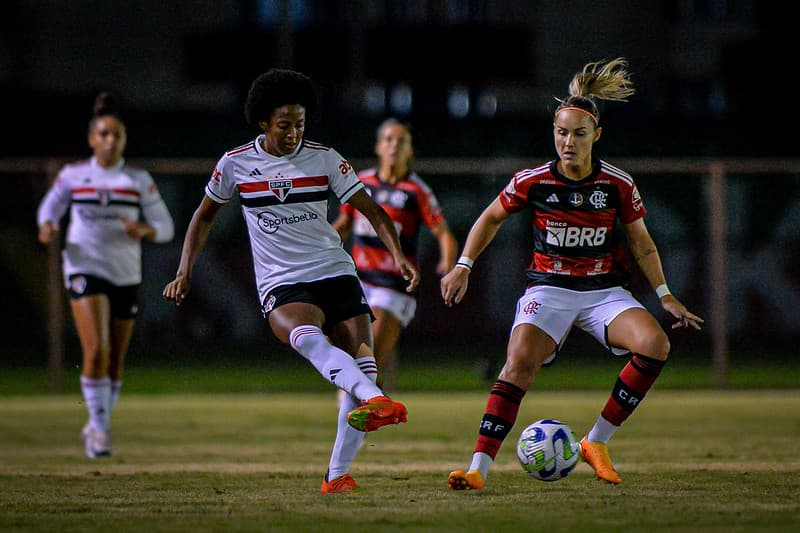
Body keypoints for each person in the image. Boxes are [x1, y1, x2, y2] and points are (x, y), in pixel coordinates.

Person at [441, 58, 704, 490]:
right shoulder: (534, 181)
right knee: (517, 365)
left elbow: (642, 242)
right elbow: (489, 218)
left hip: (603, 291)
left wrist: (665, 294)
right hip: (549, 288)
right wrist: (463, 266)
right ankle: (477, 469)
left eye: (579, 134)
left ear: (596, 135)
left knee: (656, 344)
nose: (568, 141)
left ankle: (595, 442)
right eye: (562, 133)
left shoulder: (617, 184)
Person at [161, 69, 420, 494]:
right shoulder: (236, 163)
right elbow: (204, 215)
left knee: (365, 365)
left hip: (336, 272)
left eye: (300, 124)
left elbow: (372, 210)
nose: (294, 133)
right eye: (284, 125)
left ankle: (336, 476)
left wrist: (398, 257)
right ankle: (375, 400)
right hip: (282, 281)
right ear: (263, 123)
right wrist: (184, 271)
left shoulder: (325, 159)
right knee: (310, 339)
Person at [36, 91, 175, 459]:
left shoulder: (137, 180)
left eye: (116, 135)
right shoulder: (73, 176)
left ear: (124, 140)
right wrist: (47, 227)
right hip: (84, 267)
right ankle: (99, 430)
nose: (110, 141)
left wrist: (143, 230)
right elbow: (49, 211)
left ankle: (97, 423)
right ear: (91, 139)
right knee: (96, 349)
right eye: (103, 134)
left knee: (114, 359)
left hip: (125, 274)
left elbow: (165, 227)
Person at [332, 118, 458, 391]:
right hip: (358, 281)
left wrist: (449, 262)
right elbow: (343, 225)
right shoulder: (360, 182)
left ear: (410, 151)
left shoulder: (417, 191)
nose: (394, 146)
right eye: (388, 140)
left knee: (368, 356)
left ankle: (354, 407)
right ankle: (376, 395)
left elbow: (443, 232)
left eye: (401, 141)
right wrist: (321, 245)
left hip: (394, 285)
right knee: (357, 353)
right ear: (378, 146)